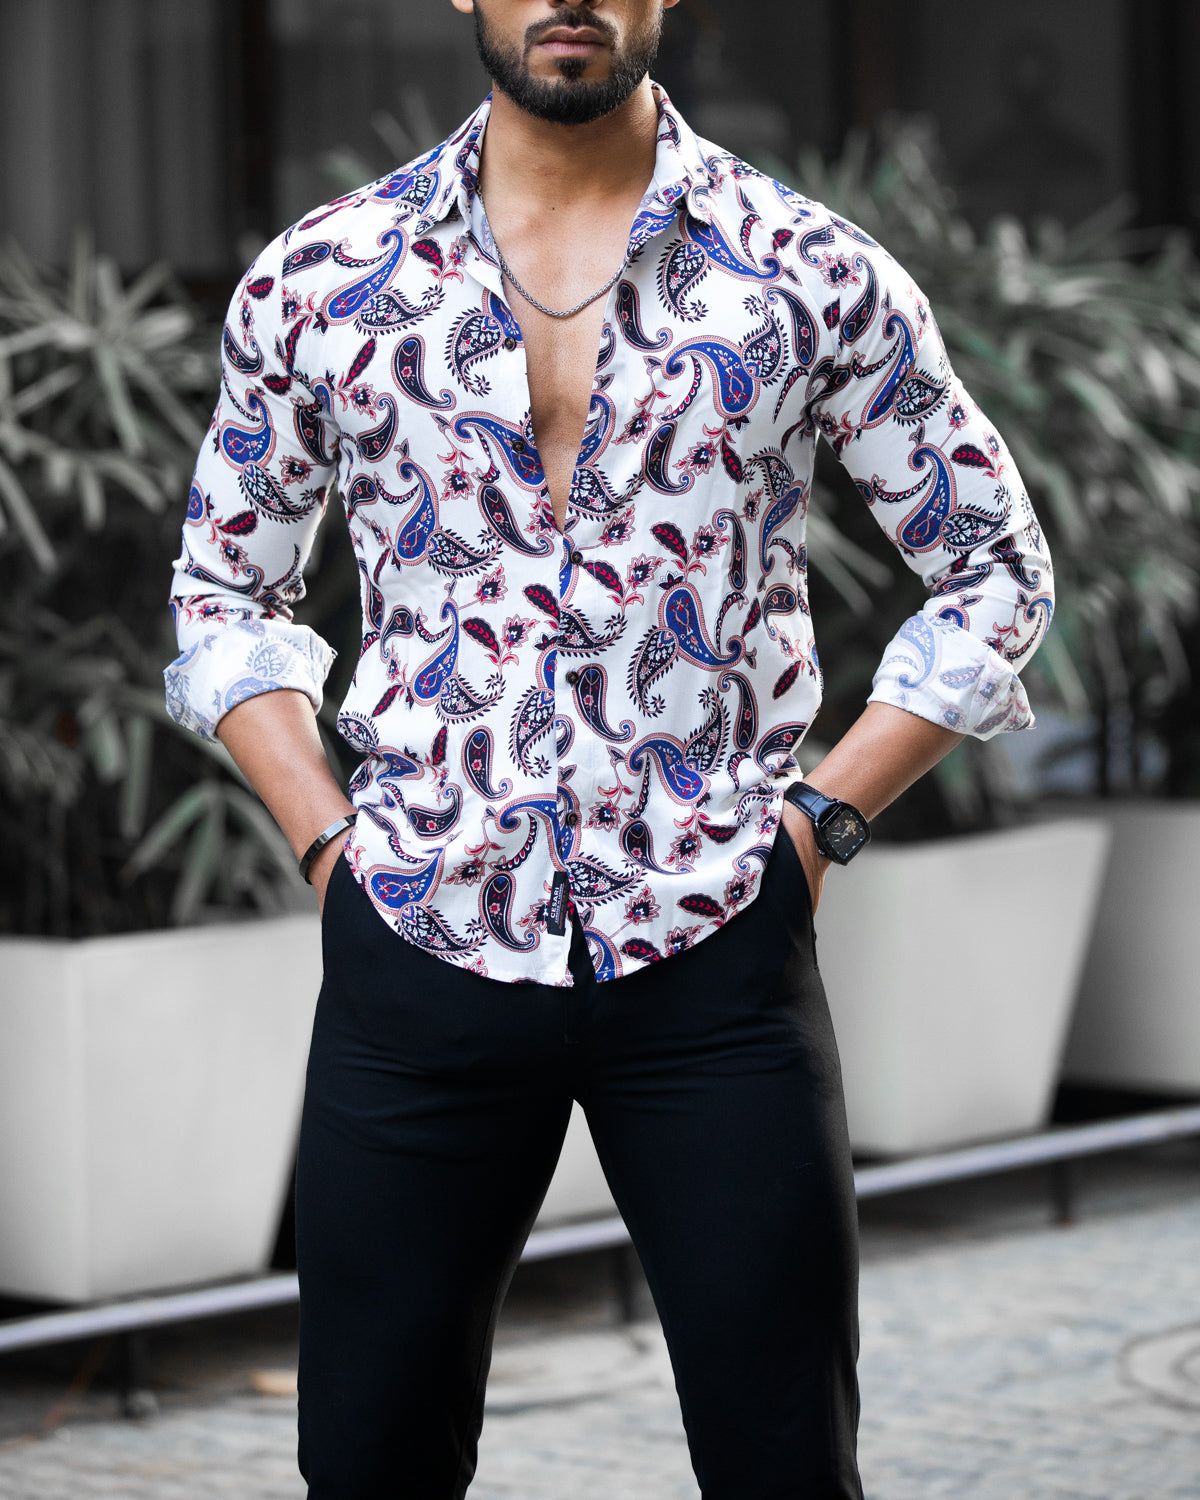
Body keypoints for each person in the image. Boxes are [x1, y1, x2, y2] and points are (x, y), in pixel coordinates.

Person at [165, 2, 1053, 1494]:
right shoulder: (325, 276)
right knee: (368, 1468)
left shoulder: (808, 271)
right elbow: (222, 592)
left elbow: (995, 570)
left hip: (715, 952)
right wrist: (327, 845)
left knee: (784, 1468)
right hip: (419, 944)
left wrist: (821, 824)